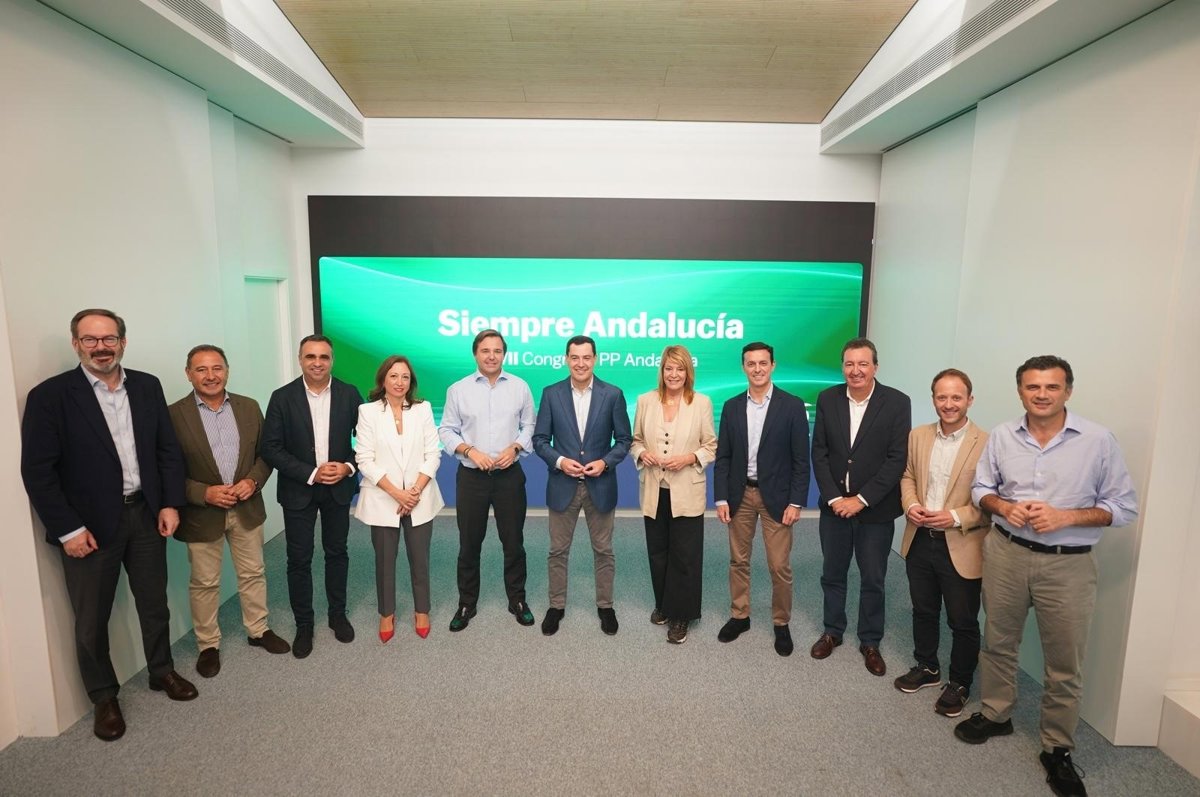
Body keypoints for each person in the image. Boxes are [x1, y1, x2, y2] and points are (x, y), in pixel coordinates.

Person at [955, 355, 1137, 797]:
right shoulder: (1003, 436)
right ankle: (996, 713)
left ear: (1067, 391)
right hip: (1007, 554)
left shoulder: (1098, 441)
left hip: (1067, 564)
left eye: (1051, 387)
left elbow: (1123, 507)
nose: (1041, 395)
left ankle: (1057, 748)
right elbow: (982, 490)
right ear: (1021, 391)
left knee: (1064, 662)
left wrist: (1066, 516)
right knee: (998, 641)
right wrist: (1004, 507)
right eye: (1032, 387)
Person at [21, 308, 198, 742]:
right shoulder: (51, 396)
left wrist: (170, 503)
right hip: (89, 527)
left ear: (122, 341)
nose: (100, 347)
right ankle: (104, 696)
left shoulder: (147, 385)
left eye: (109, 338)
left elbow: (167, 450)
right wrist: (68, 530)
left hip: (145, 514)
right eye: (90, 339)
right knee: (91, 618)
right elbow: (38, 471)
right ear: (76, 344)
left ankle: (161, 670)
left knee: (154, 603)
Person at [168, 344, 290, 678]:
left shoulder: (249, 407)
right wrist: (203, 493)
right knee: (205, 582)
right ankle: (208, 644)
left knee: (253, 572)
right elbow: (166, 469)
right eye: (201, 369)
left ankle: (258, 629)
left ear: (227, 370)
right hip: (202, 513)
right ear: (189, 374)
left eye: (217, 368)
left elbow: (267, 454)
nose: (211, 376)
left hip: (246, 507)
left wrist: (253, 481)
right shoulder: (173, 415)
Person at [810, 337, 910, 675]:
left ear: (875, 367)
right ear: (843, 367)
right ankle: (832, 631)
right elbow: (820, 452)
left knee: (874, 578)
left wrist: (861, 500)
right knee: (832, 573)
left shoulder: (897, 402)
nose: (856, 370)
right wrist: (835, 498)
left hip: (875, 511)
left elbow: (896, 460)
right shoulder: (828, 398)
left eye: (863, 364)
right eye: (850, 364)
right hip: (834, 508)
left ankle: (870, 640)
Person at [261, 334, 363, 658]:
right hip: (298, 489)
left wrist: (347, 467)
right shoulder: (282, 397)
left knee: (337, 552)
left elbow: (369, 442)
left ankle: (337, 615)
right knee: (298, 559)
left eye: (323, 357)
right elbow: (270, 447)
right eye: (310, 357)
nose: (317, 363)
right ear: (300, 359)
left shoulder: (349, 394)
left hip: (338, 488)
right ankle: (304, 624)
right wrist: (311, 472)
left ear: (331, 360)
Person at [894, 368, 987, 717]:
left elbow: (992, 500)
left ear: (970, 400)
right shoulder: (918, 435)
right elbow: (907, 476)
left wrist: (956, 517)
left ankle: (960, 682)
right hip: (920, 537)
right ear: (933, 399)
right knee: (923, 609)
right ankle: (927, 666)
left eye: (956, 397)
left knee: (962, 620)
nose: (949, 404)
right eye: (942, 397)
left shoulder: (987, 443)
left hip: (961, 542)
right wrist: (911, 506)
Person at [712, 341, 811, 656]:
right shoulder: (731, 406)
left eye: (763, 363)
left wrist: (796, 502)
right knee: (738, 560)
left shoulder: (792, 405)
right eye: (751, 363)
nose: (757, 369)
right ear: (743, 367)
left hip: (778, 498)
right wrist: (721, 498)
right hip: (739, 495)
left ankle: (781, 623)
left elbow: (801, 460)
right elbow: (724, 457)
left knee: (779, 565)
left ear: (773, 365)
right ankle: (740, 616)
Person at [533, 335, 632, 636]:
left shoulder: (612, 394)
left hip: (600, 485)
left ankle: (605, 606)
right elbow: (540, 440)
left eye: (586, 357)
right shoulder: (551, 394)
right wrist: (560, 461)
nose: (580, 363)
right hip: (562, 485)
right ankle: (556, 606)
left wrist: (605, 462)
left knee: (604, 550)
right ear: (566, 359)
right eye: (574, 357)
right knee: (557, 551)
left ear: (595, 359)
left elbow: (624, 440)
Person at [438, 329, 536, 632]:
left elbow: (529, 425)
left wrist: (515, 447)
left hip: (509, 477)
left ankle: (517, 600)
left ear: (504, 354)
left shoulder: (520, 387)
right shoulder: (458, 389)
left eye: (497, 351)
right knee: (469, 543)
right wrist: (469, 450)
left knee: (514, 542)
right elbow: (446, 430)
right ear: (475, 354)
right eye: (485, 350)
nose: (491, 356)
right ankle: (466, 603)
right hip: (472, 478)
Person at [629, 345, 717, 644]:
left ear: (688, 372)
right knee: (658, 551)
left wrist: (689, 458)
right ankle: (664, 605)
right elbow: (635, 441)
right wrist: (643, 454)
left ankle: (682, 615)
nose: (674, 374)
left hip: (687, 491)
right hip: (654, 490)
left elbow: (710, 445)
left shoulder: (701, 403)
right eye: (669, 368)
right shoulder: (646, 401)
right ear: (662, 371)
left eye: (680, 369)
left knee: (685, 555)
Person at [354, 355, 444, 643]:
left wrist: (414, 491)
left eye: (405, 377)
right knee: (384, 560)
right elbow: (364, 459)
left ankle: (422, 610)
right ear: (383, 379)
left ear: (411, 382)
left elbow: (433, 453)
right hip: (384, 498)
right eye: (393, 376)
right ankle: (386, 612)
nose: (399, 382)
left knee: (420, 558)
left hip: (419, 497)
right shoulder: (368, 411)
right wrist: (397, 493)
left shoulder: (422, 409)